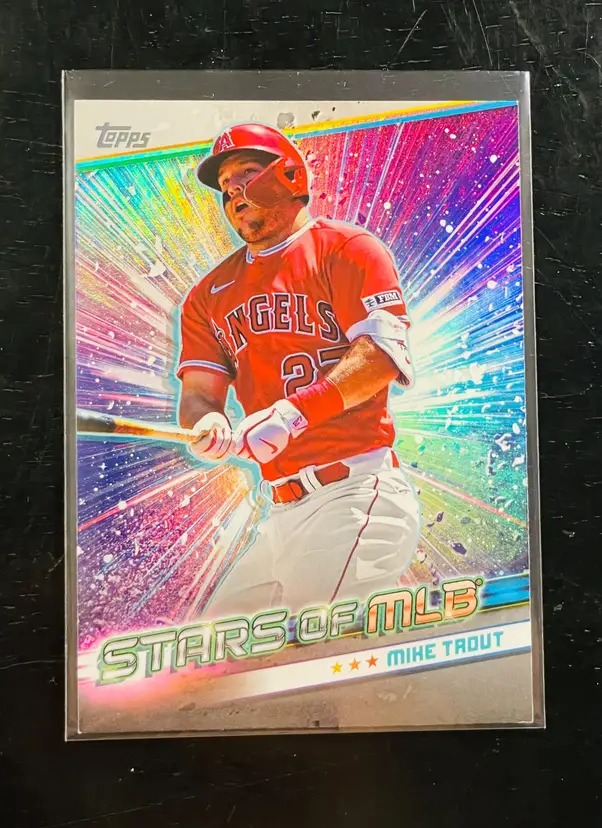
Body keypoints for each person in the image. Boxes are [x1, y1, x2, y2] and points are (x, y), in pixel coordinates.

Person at [176, 123, 420, 619]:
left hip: (355, 494)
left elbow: (380, 356)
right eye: (225, 186)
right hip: (281, 513)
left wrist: (291, 415)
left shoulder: (347, 248)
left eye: (247, 174)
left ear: (289, 175)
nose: (234, 193)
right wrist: (208, 422)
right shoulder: (208, 295)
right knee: (207, 655)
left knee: (313, 651)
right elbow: (199, 394)